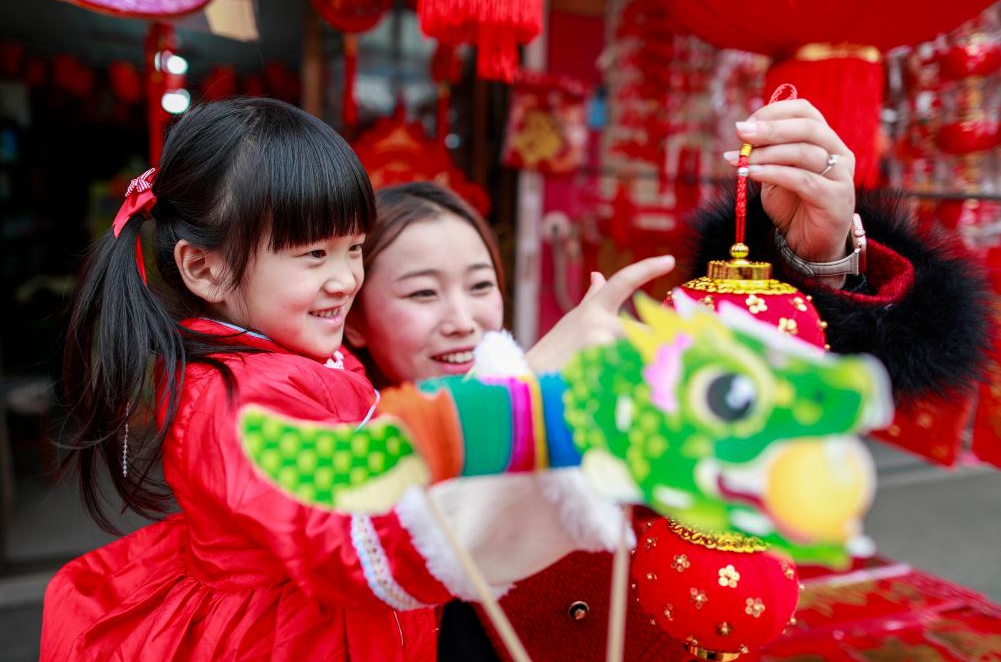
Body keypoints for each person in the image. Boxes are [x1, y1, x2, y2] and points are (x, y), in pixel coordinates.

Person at [344, 97, 990, 661]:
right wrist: (520, 399)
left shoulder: (602, 396)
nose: (462, 319)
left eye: (480, 284)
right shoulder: (336, 435)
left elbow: (759, 399)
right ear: (354, 317)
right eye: (422, 293)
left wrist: (816, 260)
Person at [42, 97, 632, 662]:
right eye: (313, 255)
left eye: (353, 249)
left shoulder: (289, 358)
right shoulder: (236, 401)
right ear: (205, 269)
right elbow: (352, 535)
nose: (347, 279)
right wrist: (530, 389)